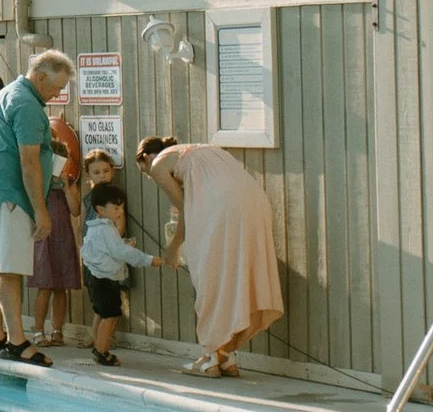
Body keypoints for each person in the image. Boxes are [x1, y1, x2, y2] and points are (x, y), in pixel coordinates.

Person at [138, 135, 286, 377]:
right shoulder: (202, 150)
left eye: (142, 168)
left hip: (223, 207)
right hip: (255, 202)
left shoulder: (157, 165)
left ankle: (209, 358)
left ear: (145, 157)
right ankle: (225, 356)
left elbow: (185, 209)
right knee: (239, 274)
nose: (147, 174)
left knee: (211, 275)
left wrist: (173, 248)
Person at [0, 49, 73, 367]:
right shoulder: (28, 105)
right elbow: (29, 163)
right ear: (41, 76)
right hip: (11, 196)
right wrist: (41, 211)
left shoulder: (8, 93)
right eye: (56, 87)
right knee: (9, 269)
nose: (57, 94)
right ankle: (17, 342)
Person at [80, 180, 163, 366]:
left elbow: (107, 250)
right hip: (105, 280)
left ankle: (99, 346)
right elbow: (121, 253)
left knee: (102, 313)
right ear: (100, 209)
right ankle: (101, 351)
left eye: (121, 207)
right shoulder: (107, 230)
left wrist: (122, 245)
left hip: (95, 277)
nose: (120, 212)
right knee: (110, 316)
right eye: (116, 208)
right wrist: (149, 260)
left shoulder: (95, 228)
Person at [32, 107, 84, 347]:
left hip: (63, 236)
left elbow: (75, 210)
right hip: (44, 236)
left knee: (61, 286)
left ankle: (57, 330)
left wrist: (65, 184)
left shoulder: (68, 182)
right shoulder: (38, 185)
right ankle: (38, 330)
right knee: (45, 285)